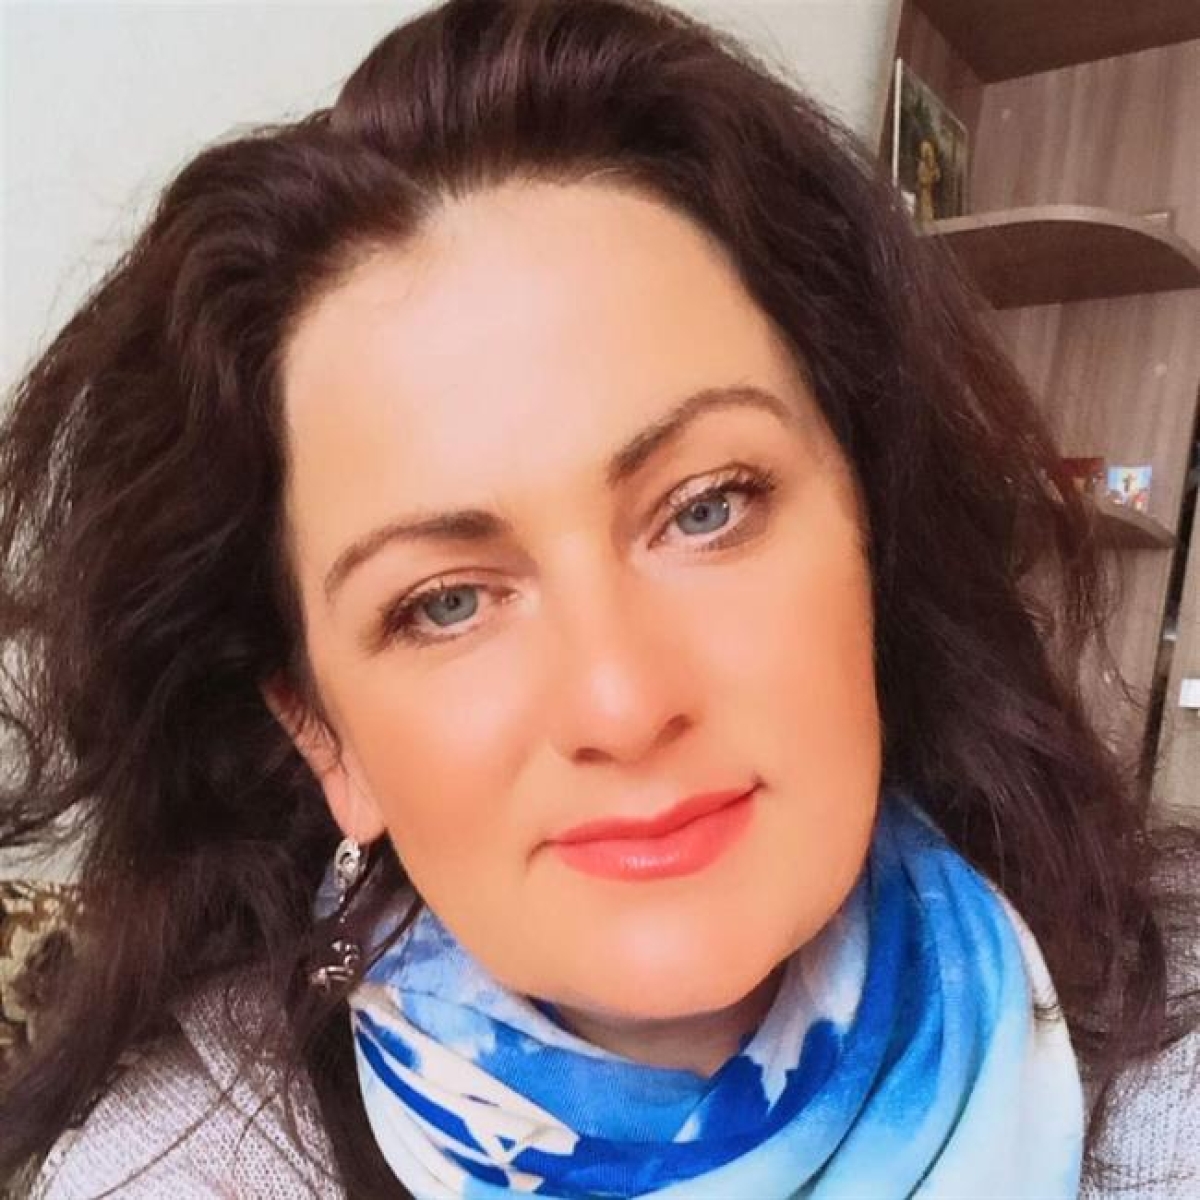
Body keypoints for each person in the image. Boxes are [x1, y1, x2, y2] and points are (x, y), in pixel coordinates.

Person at [1, 0, 1197, 1196]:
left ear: (871, 538)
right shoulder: (175, 1168)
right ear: (328, 740)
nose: (621, 705)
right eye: (447, 603)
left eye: (707, 508)